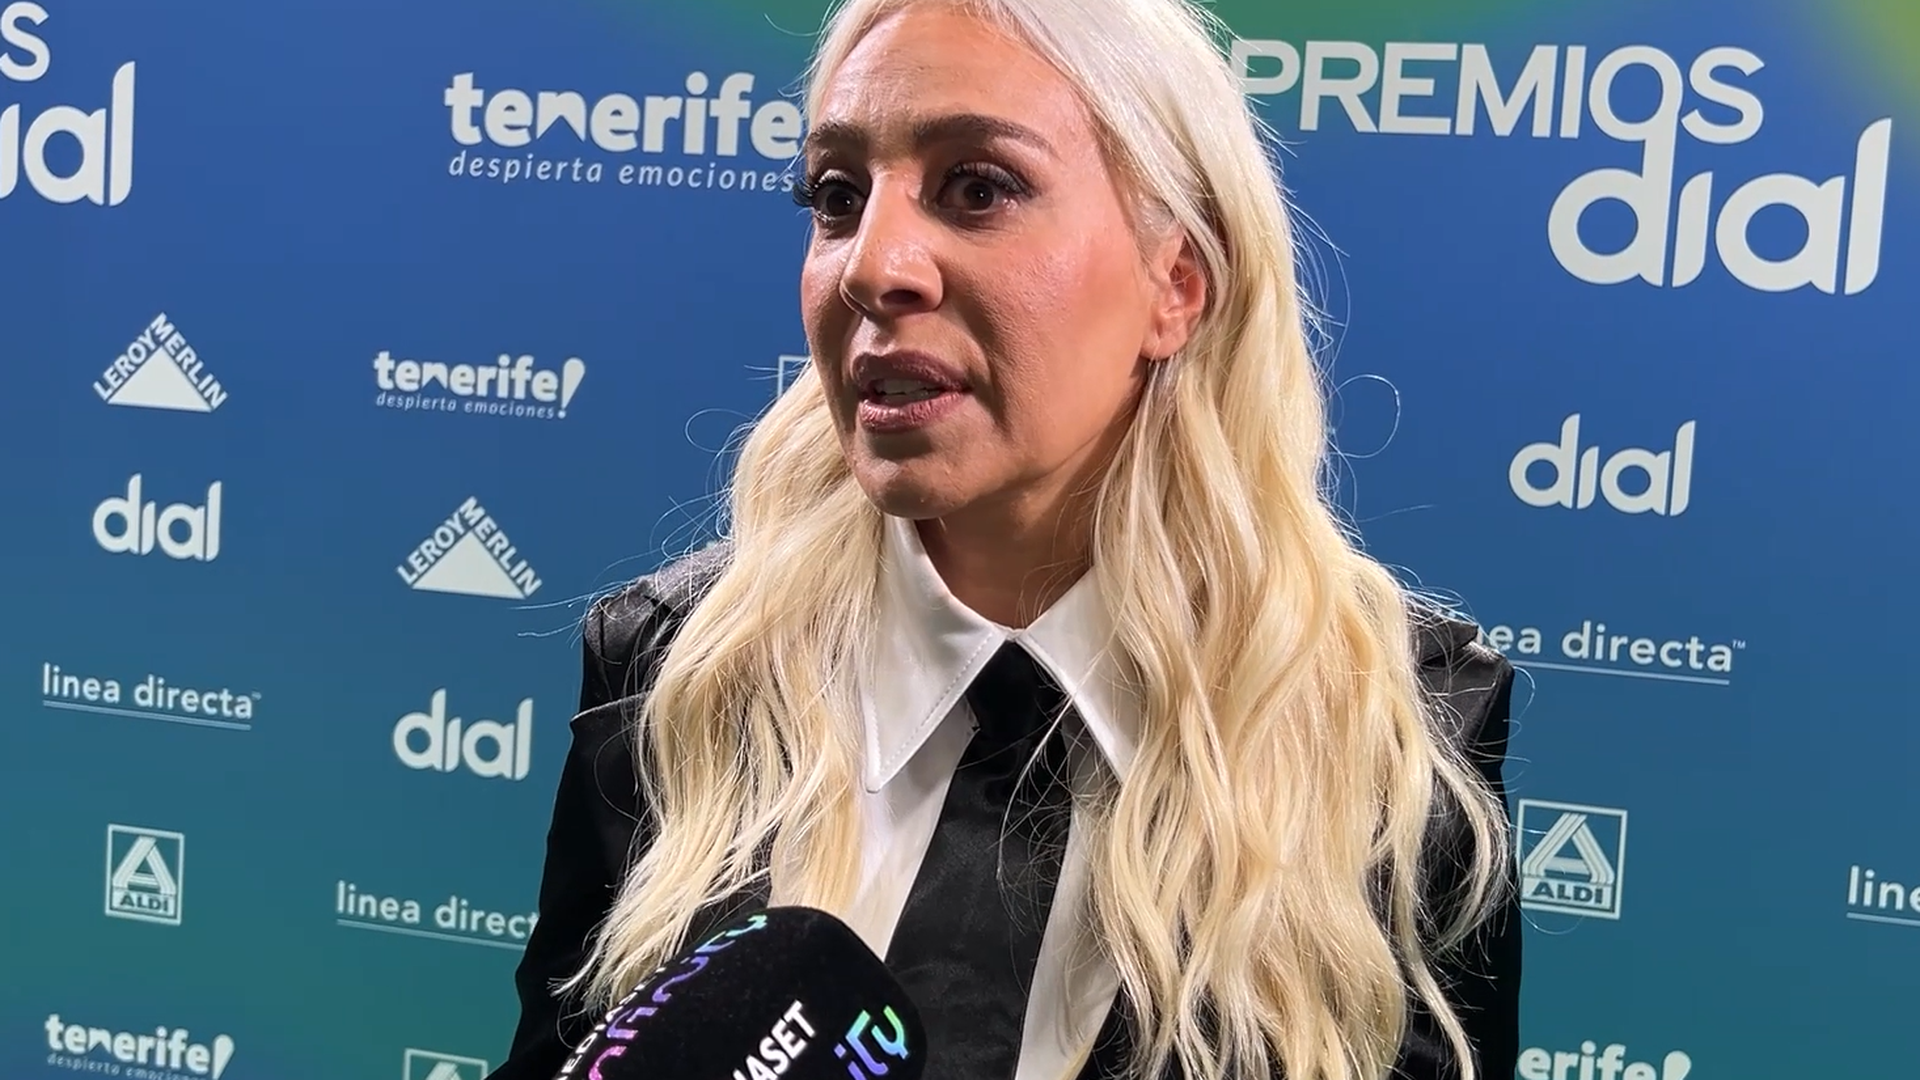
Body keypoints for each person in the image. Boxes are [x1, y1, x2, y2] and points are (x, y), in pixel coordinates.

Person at [487, 0, 1520, 1078]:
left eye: (977, 188)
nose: (872, 266)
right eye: (837, 197)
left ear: (1176, 282)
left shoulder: (1392, 721)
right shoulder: (676, 667)